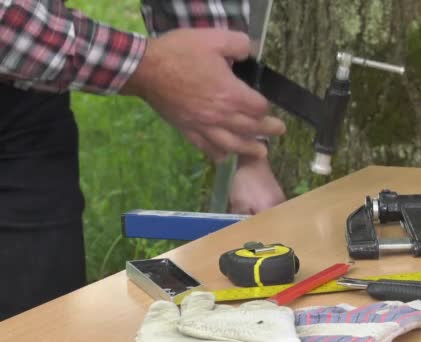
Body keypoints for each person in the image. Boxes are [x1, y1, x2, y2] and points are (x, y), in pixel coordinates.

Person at [0, 0, 285, 321]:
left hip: (24, 90)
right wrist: (147, 67)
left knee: (41, 320)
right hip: (23, 51)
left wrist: (241, 145)